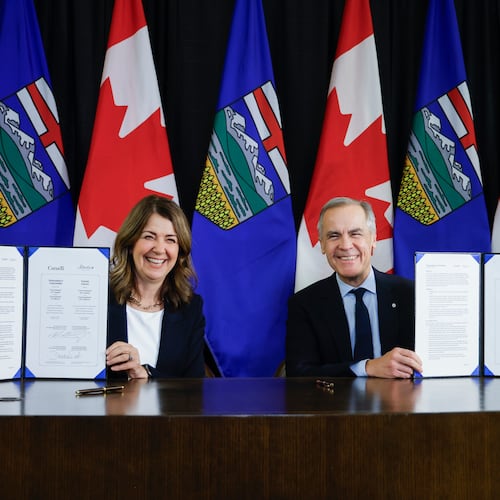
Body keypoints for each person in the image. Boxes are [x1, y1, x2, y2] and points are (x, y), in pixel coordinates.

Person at [286, 197, 422, 378]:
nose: (345, 245)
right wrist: (367, 368)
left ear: (373, 240)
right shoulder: (305, 304)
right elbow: (299, 374)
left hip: (403, 403)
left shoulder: (411, 295)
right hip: (335, 405)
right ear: (322, 245)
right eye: (334, 236)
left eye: (355, 234)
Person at [106, 195, 205, 379]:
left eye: (170, 240)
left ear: (180, 251)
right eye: (149, 237)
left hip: (168, 409)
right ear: (130, 243)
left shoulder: (190, 308)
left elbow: (194, 389)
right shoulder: (98, 300)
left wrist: (145, 374)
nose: (160, 249)